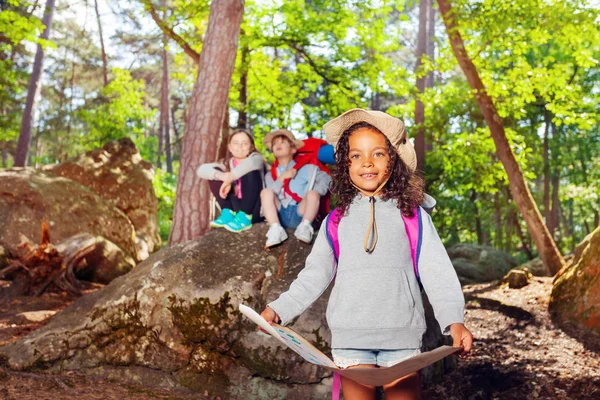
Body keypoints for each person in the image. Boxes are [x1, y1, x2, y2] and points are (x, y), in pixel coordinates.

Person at [260, 109, 473, 400]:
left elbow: (437, 270)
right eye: (356, 156)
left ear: (393, 160)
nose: (367, 163)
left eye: (378, 154)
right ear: (345, 165)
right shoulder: (336, 220)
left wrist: (454, 320)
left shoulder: (413, 215)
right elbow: (314, 275)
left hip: (402, 339)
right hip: (350, 340)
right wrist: (279, 309)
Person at [261, 129, 332, 247]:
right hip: (280, 213)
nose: (278, 145)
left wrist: (316, 193)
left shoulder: (307, 168)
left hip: (301, 211)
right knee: (266, 192)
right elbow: (269, 195)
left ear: (293, 149)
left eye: (283, 142)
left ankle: (305, 226)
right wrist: (282, 178)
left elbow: (327, 180)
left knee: (312, 194)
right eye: (275, 143)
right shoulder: (270, 174)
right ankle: (275, 229)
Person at [196, 129, 265, 233]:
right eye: (236, 143)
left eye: (244, 143)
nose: (240, 147)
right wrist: (223, 176)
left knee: (250, 171)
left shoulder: (256, 159)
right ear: (230, 147)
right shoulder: (226, 164)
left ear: (251, 147)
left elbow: (252, 163)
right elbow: (202, 170)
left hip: (252, 210)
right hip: (236, 207)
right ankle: (228, 213)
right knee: (215, 173)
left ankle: (244, 216)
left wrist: (229, 179)